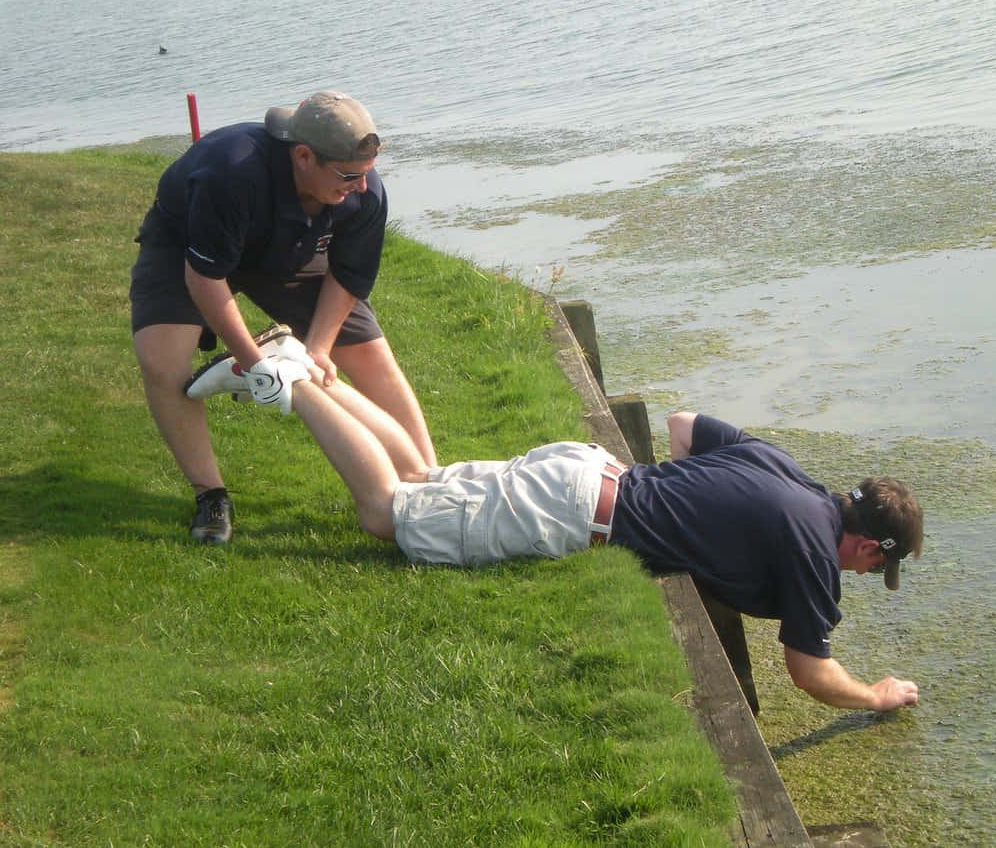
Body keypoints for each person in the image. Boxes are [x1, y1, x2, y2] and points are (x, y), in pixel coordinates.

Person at [190, 340, 925, 712]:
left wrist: (697, 518)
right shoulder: (813, 556)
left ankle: (319, 376)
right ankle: (283, 380)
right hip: (572, 513)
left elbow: (681, 427)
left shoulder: (787, 470)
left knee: (417, 481)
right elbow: (810, 672)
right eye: (872, 568)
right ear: (863, 544)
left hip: (587, 469)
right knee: (385, 514)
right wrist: (878, 694)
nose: (861, 576)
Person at [129, 90, 436, 545]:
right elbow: (204, 279)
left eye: (367, 174)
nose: (362, 187)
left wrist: (317, 350)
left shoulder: (362, 193)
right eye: (349, 175)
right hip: (187, 248)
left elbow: (348, 278)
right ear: (304, 156)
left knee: (371, 354)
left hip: (288, 249)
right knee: (164, 364)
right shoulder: (231, 172)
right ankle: (211, 496)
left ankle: (430, 482)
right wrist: (256, 366)